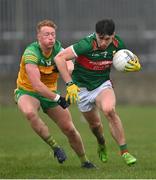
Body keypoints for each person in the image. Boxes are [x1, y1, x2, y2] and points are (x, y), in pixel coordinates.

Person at [54, 19, 141, 166]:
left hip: (102, 85)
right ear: (96, 34)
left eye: (107, 39)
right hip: (81, 89)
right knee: (95, 127)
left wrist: (132, 65)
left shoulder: (118, 44)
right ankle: (101, 143)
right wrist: (69, 84)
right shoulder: (86, 44)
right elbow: (59, 58)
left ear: (113, 35)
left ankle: (125, 152)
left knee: (109, 110)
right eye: (101, 38)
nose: (103, 42)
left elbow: (125, 59)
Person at [14, 19, 95, 168]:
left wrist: (67, 73)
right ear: (38, 36)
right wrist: (58, 98)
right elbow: (37, 85)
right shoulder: (31, 53)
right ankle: (55, 147)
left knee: (69, 129)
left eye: (53, 34)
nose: (51, 37)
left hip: (50, 92)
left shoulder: (58, 49)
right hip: (28, 91)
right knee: (30, 113)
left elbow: (70, 64)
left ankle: (85, 162)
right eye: (46, 34)